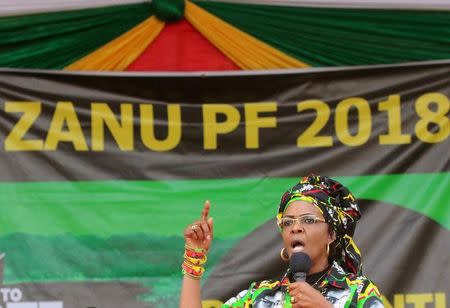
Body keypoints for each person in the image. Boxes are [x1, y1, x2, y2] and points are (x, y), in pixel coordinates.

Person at [179, 175, 384, 307]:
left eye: (309, 220)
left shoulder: (359, 293)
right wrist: (194, 258)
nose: (295, 227)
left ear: (331, 234)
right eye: (287, 222)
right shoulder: (259, 298)